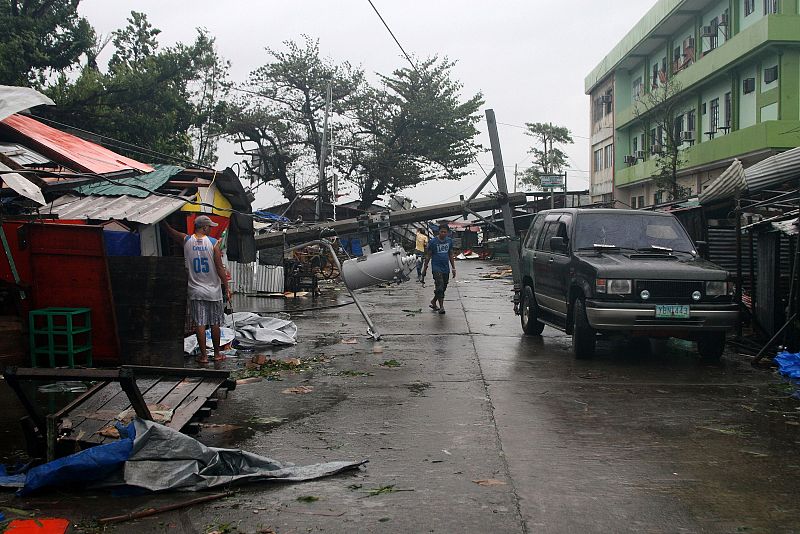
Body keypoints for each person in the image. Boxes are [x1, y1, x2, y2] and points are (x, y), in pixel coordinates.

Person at [162, 215, 232, 364]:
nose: (211, 229)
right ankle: (217, 354)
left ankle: (204, 356)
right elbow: (220, 268)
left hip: (195, 291)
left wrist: (162, 221)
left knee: (200, 323)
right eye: (210, 227)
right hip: (213, 291)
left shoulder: (186, 240)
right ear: (204, 227)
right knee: (215, 323)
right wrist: (227, 287)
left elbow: (170, 231)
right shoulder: (213, 244)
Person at [422, 223, 456, 314]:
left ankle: (433, 301)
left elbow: (451, 254)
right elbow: (428, 256)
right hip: (436, 268)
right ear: (439, 232)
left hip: (446, 268)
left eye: (445, 232)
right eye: (442, 232)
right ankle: (441, 307)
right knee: (439, 286)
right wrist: (424, 269)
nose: (443, 234)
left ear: (448, 233)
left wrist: (453, 268)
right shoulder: (433, 242)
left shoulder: (449, 241)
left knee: (443, 287)